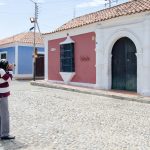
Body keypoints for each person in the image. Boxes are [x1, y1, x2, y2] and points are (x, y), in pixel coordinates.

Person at [0, 59, 15, 140]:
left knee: (1, 115)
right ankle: (5, 134)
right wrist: (10, 70)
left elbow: (6, 80)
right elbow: (9, 80)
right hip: (2, 95)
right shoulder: (1, 70)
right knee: (5, 115)